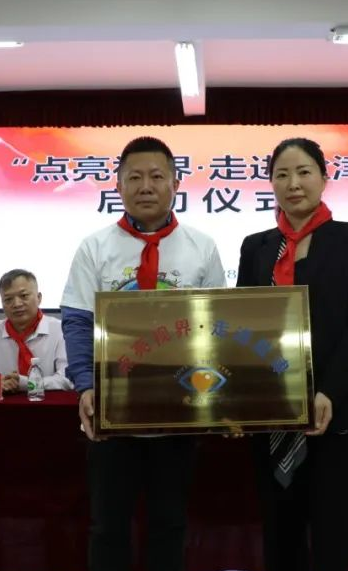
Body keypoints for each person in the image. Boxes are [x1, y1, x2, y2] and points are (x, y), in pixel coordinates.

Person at [60, 136, 225, 571]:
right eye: (134, 177)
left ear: (175, 183)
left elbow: (217, 327)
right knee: (107, 527)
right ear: (118, 186)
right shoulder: (95, 247)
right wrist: (86, 386)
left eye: (156, 176)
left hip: (179, 413)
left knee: (169, 525)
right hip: (112, 414)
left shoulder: (202, 247)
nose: (146, 186)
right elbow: (77, 321)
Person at [237, 137, 348, 571]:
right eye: (281, 175)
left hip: (336, 409)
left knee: (333, 531)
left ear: (323, 177)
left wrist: (328, 392)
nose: (293, 184)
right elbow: (241, 325)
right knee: (280, 531)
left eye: (303, 172)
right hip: (272, 412)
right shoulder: (256, 246)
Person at [0, 269, 70, 392]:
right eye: (8, 299)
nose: (17, 304)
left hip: (47, 403)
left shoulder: (60, 330)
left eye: (24, 296)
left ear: (39, 298)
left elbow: (67, 380)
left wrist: (27, 384)